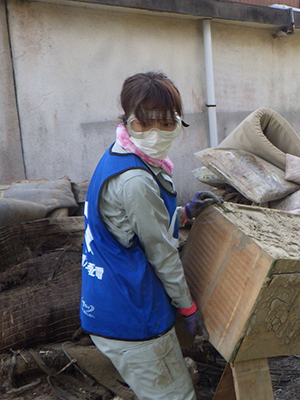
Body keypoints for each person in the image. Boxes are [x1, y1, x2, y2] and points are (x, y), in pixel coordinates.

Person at [80, 71, 221, 400]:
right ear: (127, 120)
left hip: (109, 301)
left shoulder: (122, 154)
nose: (156, 133)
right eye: (144, 123)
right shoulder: (136, 180)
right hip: (131, 315)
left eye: (166, 123)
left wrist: (183, 213)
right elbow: (161, 253)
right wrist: (187, 308)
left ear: (178, 122)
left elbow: (132, 224)